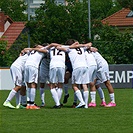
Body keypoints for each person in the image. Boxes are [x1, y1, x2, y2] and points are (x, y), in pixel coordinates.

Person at [56, 39, 92, 108]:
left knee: (74, 85)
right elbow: (90, 44)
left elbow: (58, 47)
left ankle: (82, 102)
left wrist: (71, 46)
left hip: (77, 67)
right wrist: (80, 45)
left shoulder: (69, 49)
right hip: (85, 66)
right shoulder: (82, 48)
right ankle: (86, 105)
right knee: (84, 85)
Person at [24, 44, 49, 109]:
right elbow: (46, 50)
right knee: (33, 84)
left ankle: (28, 104)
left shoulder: (32, 51)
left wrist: (34, 48)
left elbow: (25, 49)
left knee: (29, 84)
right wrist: (39, 47)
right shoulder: (42, 50)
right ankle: (32, 104)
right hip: (33, 66)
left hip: (26, 65)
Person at [48, 43, 66, 108]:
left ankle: (57, 103)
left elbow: (49, 45)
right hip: (61, 65)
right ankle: (58, 103)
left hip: (53, 65)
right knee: (60, 84)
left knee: (52, 85)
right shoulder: (64, 47)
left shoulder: (50, 48)